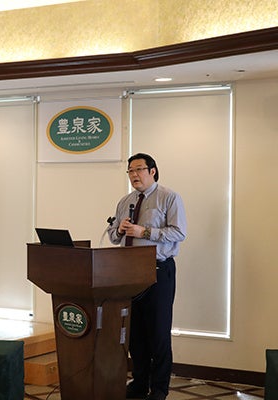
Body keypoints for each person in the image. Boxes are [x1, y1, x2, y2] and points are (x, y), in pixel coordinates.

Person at [107, 153, 187, 400]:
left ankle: (159, 388)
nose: (134, 175)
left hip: (158, 271)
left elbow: (179, 232)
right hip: (128, 272)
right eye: (130, 171)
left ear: (152, 171)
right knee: (135, 333)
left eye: (139, 170)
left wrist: (145, 232)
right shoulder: (125, 201)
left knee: (158, 333)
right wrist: (119, 230)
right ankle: (139, 383)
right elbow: (113, 236)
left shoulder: (169, 197)